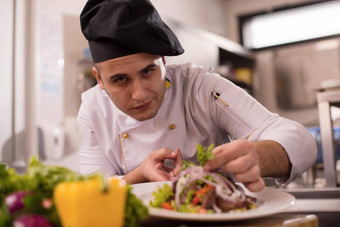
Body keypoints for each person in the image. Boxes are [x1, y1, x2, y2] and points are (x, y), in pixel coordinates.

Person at [78, 0, 317, 192]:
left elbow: (300, 139)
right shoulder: (93, 109)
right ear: (99, 78)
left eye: (148, 71)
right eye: (120, 79)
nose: (139, 94)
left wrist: (258, 156)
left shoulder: (200, 87)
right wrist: (138, 175)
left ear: (163, 61)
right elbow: (93, 189)